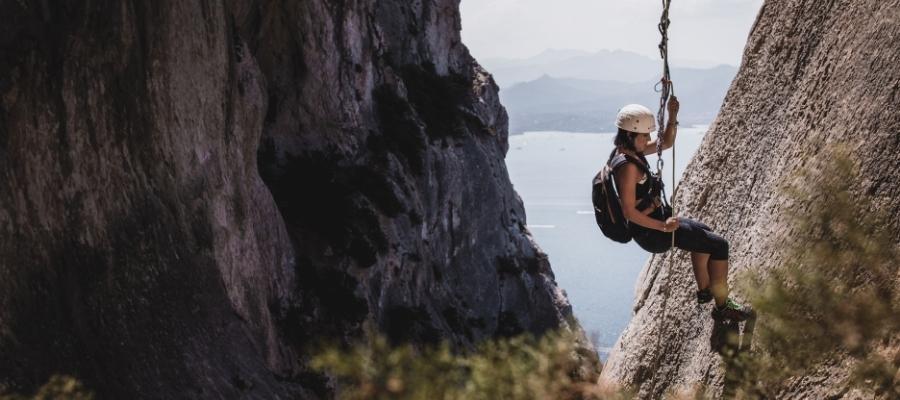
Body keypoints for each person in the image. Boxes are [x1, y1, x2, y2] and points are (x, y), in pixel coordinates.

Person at [609, 98, 752, 321]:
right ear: (630, 134)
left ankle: (705, 290)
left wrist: (672, 114)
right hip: (652, 233)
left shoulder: (628, 152)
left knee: (703, 231)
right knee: (719, 245)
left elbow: (665, 142)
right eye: (644, 135)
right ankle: (723, 307)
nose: (648, 139)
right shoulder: (627, 167)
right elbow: (629, 212)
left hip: (656, 223)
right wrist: (662, 227)